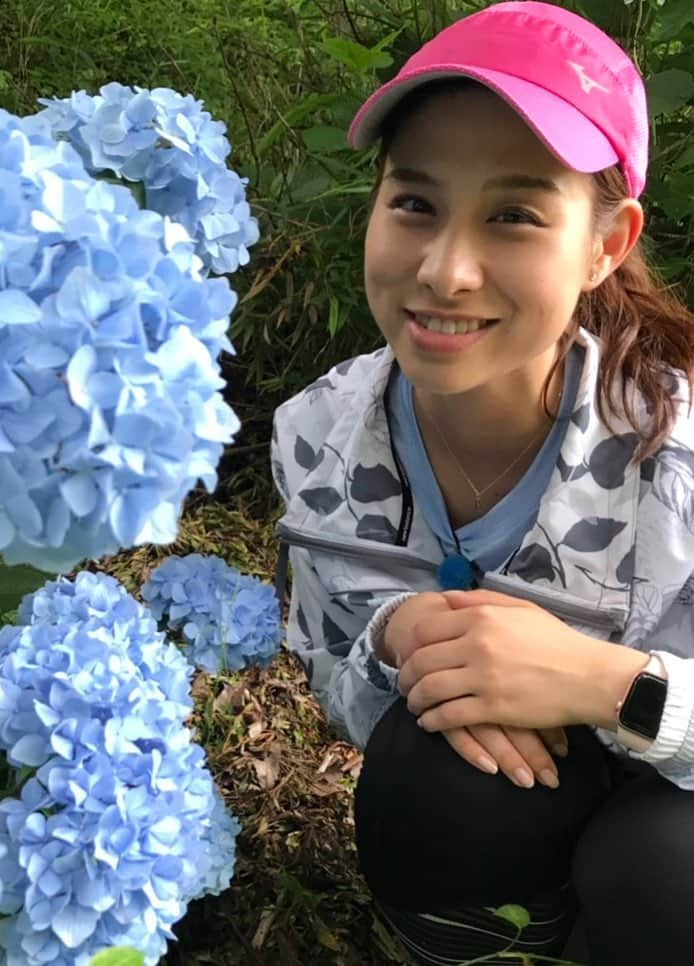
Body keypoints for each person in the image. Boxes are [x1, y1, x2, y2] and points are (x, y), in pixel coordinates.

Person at [270, 2, 694, 963]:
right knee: (428, 784)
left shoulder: (678, 457)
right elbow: (334, 674)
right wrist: (394, 642)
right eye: (414, 202)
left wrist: (604, 685)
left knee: (665, 870)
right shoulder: (317, 435)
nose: (445, 270)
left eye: (513, 214)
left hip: (674, 828)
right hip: (511, 819)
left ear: (605, 245)